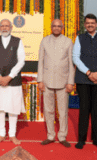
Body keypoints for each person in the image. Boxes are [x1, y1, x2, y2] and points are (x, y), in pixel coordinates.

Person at [37, 18, 75, 148]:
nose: (57, 28)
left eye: (59, 26)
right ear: (51, 27)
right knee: (48, 110)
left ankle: (62, 136)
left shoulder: (68, 42)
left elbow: (71, 63)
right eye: (54, 26)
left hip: (63, 81)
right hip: (46, 81)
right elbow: (40, 62)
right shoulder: (44, 41)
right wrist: (40, 80)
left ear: (62, 27)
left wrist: (70, 82)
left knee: (63, 110)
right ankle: (50, 135)